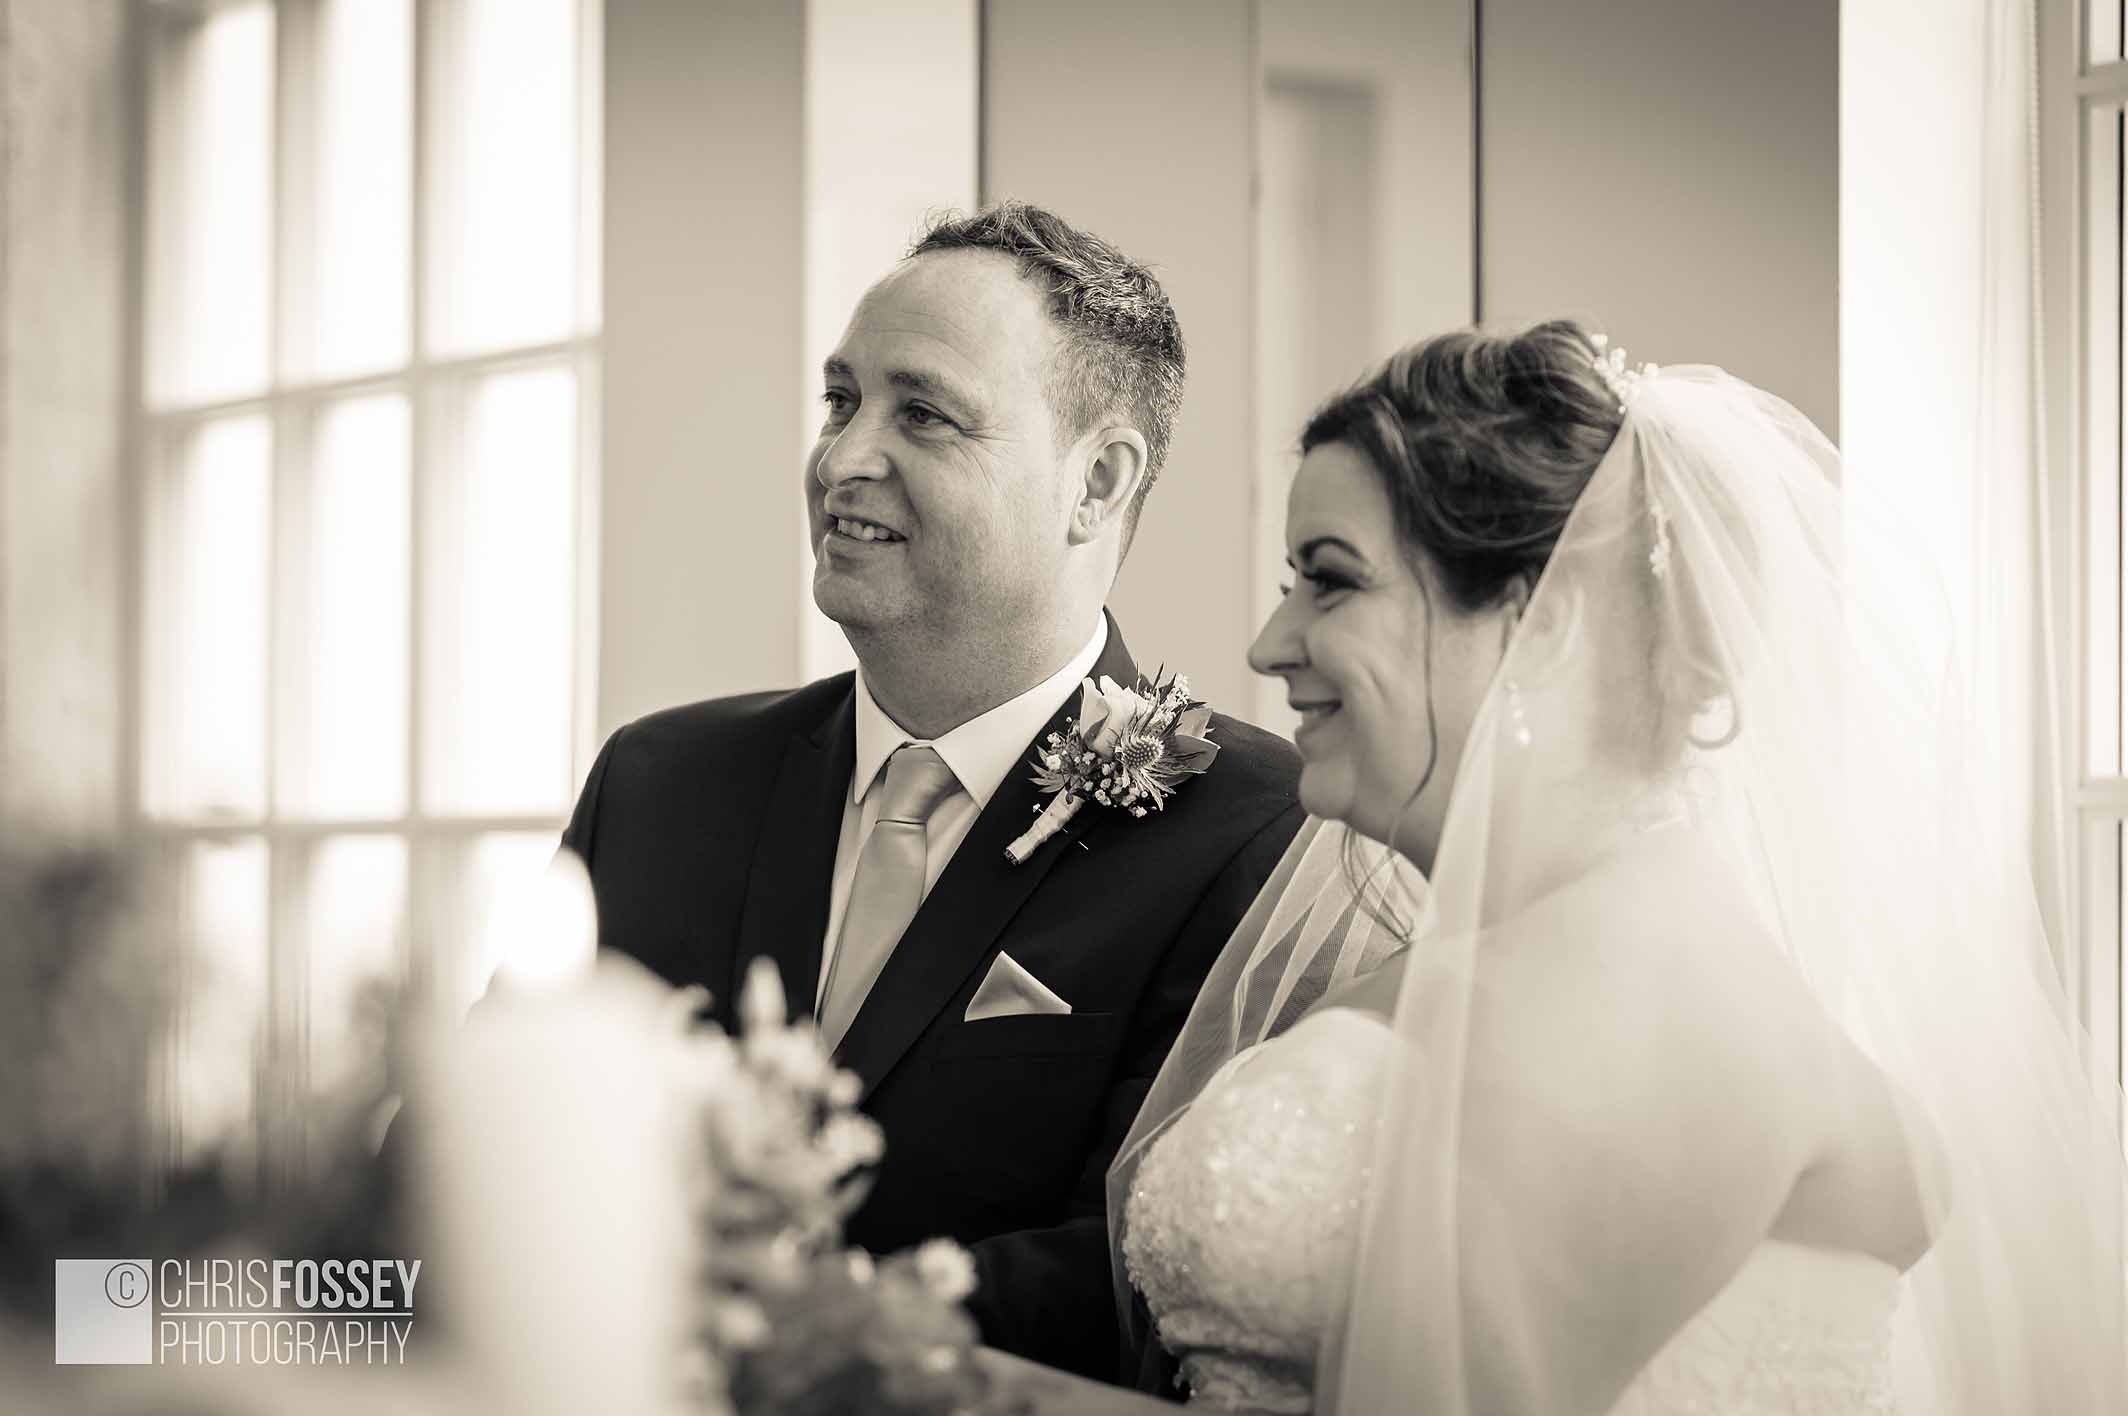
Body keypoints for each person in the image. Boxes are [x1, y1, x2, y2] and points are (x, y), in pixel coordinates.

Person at [1044, 321, 2122, 1413]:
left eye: (1330, 582)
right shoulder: (1543, 952)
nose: (1269, 643)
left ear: (1544, 622)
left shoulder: (1631, 992)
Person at [559, 202, 1305, 1380]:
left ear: (1097, 483)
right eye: (840, 401)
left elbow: (1138, 1284)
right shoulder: (655, 784)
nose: (842, 459)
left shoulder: (1255, 834)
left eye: (923, 414)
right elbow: (484, 1148)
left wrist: (774, 1329)